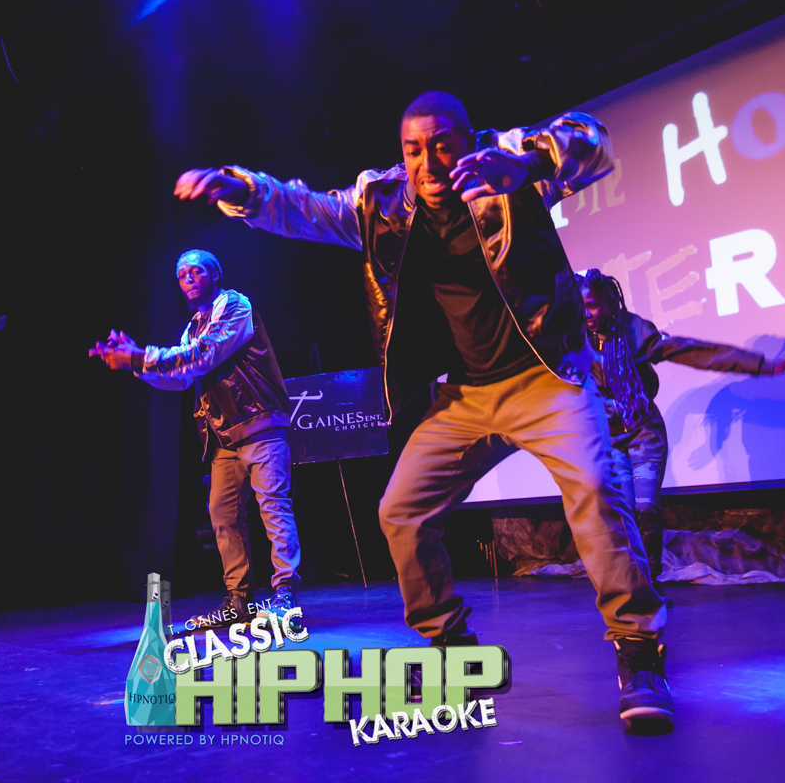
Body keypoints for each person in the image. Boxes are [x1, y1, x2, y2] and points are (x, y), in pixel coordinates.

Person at [174, 92, 673, 728]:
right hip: (465, 394)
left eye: (441, 145)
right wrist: (240, 189)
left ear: (466, 137)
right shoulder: (382, 202)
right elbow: (306, 209)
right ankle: (451, 647)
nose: (429, 163)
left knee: (598, 490)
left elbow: (593, 143)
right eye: (413, 150)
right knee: (401, 513)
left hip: (546, 378)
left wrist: (529, 166)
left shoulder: (504, 164)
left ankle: (639, 653)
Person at [90, 249, 302, 629]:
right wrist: (136, 365)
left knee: (273, 507)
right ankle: (239, 600)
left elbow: (204, 356)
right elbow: (182, 378)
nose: (187, 279)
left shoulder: (235, 306)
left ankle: (285, 594)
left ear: (215, 275)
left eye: (195, 271)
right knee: (222, 515)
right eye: (181, 275)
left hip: (259, 422)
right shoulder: (193, 327)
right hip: (223, 436)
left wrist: (140, 356)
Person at [574, 268, 785, 585]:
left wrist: (762, 365)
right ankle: (631, 585)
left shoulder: (633, 333)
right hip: (609, 439)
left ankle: (651, 586)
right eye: (581, 307)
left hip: (643, 434)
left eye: (592, 306)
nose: (586, 314)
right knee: (622, 515)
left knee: (645, 510)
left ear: (611, 302)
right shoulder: (574, 341)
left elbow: (692, 351)